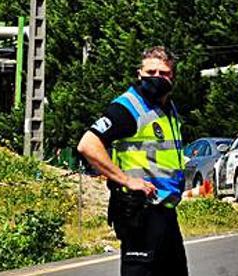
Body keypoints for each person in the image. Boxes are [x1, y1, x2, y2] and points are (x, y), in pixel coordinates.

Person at [77, 46, 188, 276]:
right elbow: (88, 144)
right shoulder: (128, 108)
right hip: (140, 210)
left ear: (172, 77)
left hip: (166, 210)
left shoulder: (167, 109)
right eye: (151, 72)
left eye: (163, 73)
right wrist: (126, 179)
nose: (156, 78)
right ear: (140, 74)